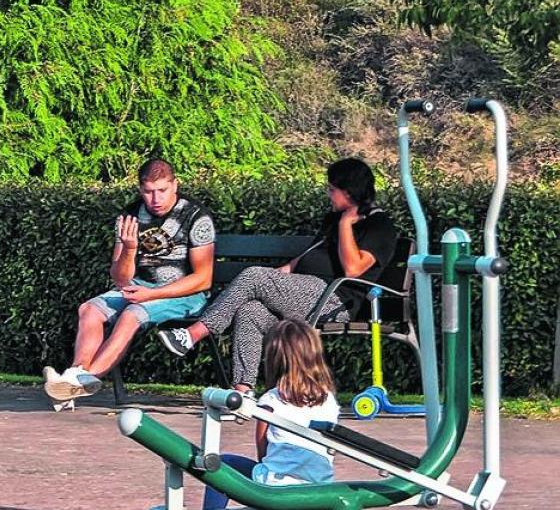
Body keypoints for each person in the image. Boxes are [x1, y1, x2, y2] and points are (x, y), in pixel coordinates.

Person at [157, 158, 397, 393]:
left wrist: (346, 224)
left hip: (333, 299)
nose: (328, 194)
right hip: (303, 293)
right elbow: (304, 259)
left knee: (253, 275)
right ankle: (242, 392)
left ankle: (193, 334)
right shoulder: (332, 219)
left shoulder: (378, 226)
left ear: (350, 192)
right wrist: (278, 274)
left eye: (332, 189)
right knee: (249, 311)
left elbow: (354, 269)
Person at [45, 158, 215, 404]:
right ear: (140, 189)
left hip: (183, 294)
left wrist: (152, 295)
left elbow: (203, 280)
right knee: (89, 309)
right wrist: (129, 248)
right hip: (138, 288)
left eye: (162, 191)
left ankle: (81, 382)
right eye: (148, 191)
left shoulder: (196, 217)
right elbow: (120, 278)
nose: (155, 199)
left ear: (175, 185)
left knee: (131, 314)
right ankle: (76, 373)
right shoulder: (130, 217)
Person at [164, 319, 339, 510]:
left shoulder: (272, 400)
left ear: (275, 360)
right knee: (299, 465)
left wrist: (268, 491)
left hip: (278, 485)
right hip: (319, 484)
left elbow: (263, 446)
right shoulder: (329, 399)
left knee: (221, 463)